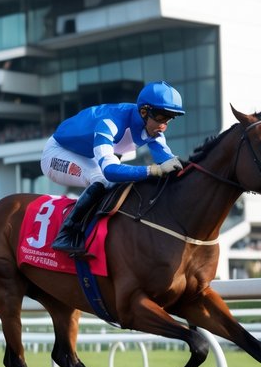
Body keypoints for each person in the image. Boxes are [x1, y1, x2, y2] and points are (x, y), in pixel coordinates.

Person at [40, 80, 185, 255]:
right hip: (58, 153)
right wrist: (152, 170)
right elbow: (110, 172)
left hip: (89, 154)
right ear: (144, 112)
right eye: (161, 117)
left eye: (169, 119)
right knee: (101, 179)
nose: (163, 126)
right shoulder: (110, 122)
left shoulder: (154, 132)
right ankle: (66, 234)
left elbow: (169, 164)